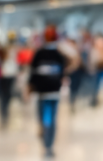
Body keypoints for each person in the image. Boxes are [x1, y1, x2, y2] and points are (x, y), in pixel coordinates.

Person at [26, 26, 78, 159]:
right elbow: (73, 60)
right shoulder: (58, 54)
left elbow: (32, 73)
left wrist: (29, 88)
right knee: (51, 120)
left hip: (43, 92)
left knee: (44, 119)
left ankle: (47, 144)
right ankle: (48, 146)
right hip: (52, 92)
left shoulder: (41, 53)